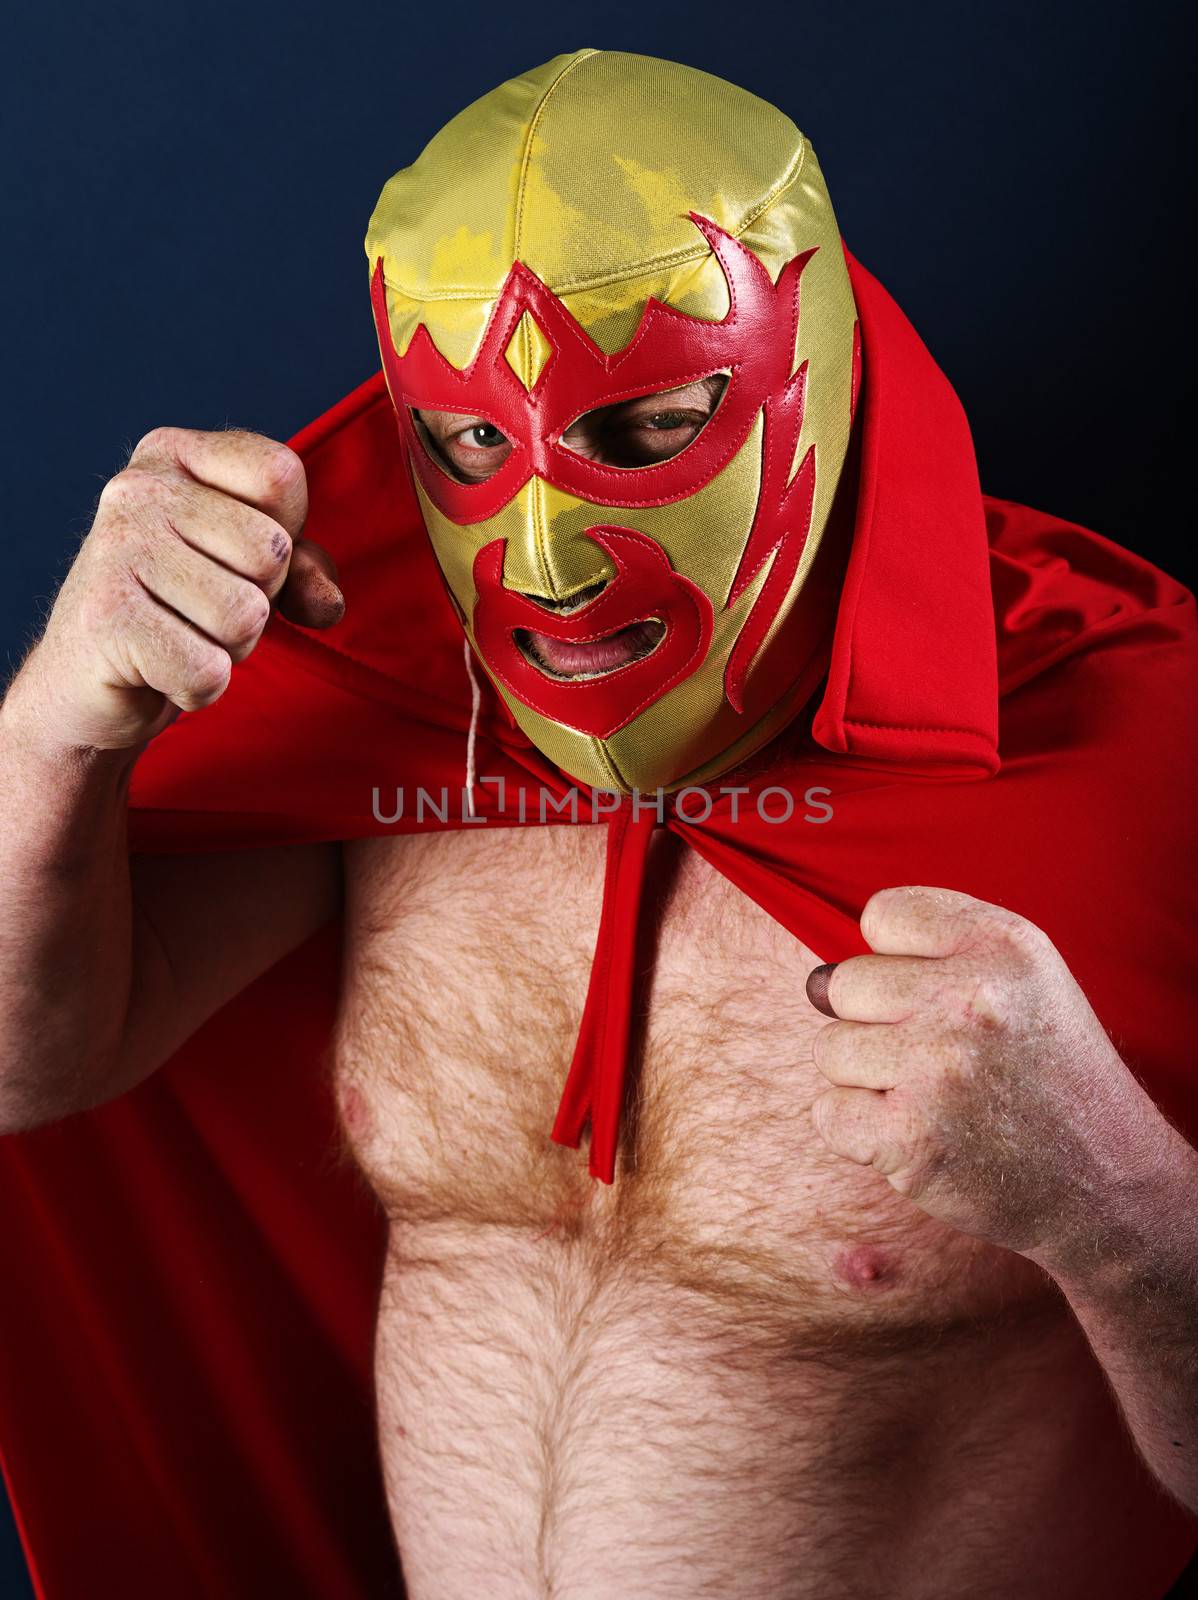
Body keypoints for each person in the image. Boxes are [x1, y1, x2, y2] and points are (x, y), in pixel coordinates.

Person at [1, 47, 1196, 1600]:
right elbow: (32, 1067)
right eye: (472, 449)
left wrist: (1116, 1212)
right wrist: (53, 736)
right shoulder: (388, 695)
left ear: (819, 366)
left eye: (643, 432)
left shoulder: (1139, 746)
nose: (550, 555)